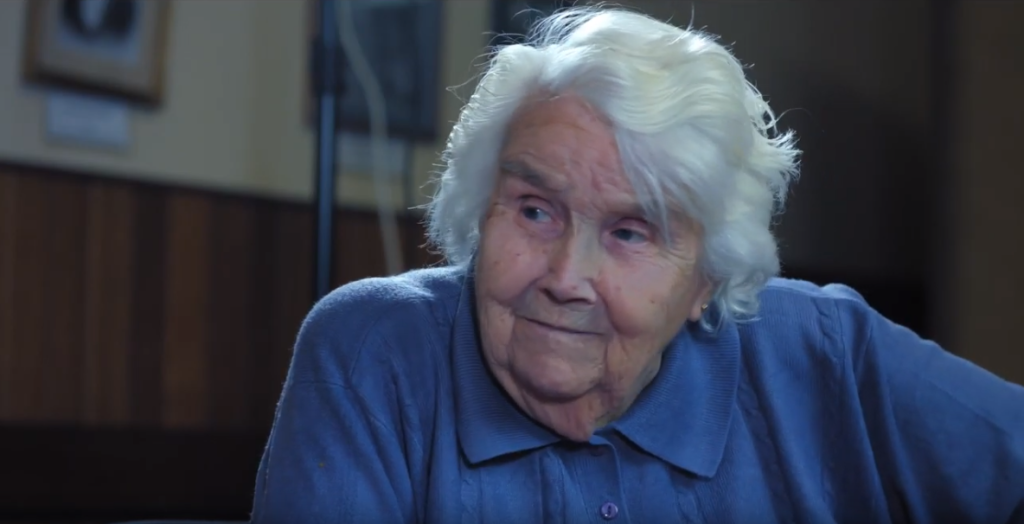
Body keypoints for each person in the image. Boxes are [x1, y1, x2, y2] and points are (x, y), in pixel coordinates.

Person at [250, 6, 1024, 523]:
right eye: (534, 210)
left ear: (707, 279)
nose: (565, 277)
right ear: (478, 207)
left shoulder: (827, 356)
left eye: (630, 232)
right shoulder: (374, 353)